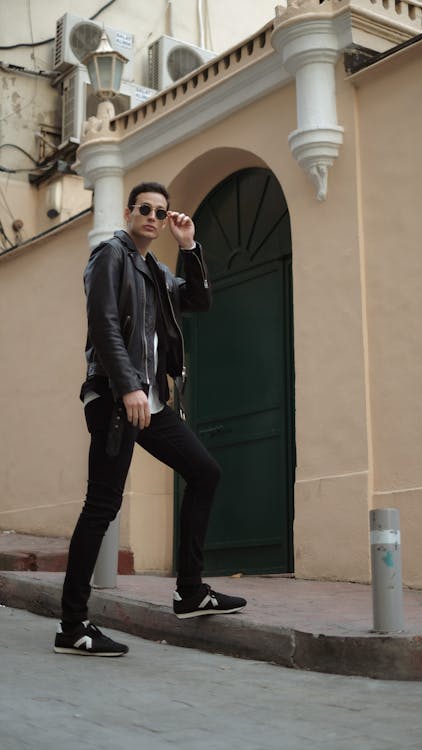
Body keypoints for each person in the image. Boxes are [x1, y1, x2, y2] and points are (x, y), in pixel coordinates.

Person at [54, 181, 246, 656]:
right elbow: (103, 324)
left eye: (161, 212)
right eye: (145, 209)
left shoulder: (157, 272)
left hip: (150, 404)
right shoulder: (109, 256)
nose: (153, 217)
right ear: (129, 212)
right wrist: (127, 385)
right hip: (117, 399)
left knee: (205, 472)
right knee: (102, 506)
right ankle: (72, 625)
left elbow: (198, 300)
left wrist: (191, 247)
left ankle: (190, 592)